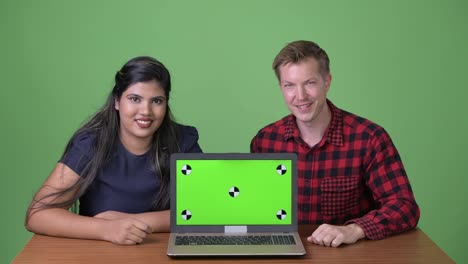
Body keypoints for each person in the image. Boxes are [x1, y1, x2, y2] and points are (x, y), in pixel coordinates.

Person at [250, 40, 420, 247]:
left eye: (310, 83)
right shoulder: (265, 141)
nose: (300, 96)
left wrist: (354, 229)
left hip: (349, 256)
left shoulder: (369, 138)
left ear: (327, 82)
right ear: (281, 87)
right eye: (289, 86)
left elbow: (404, 206)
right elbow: (255, 211)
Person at [25, 56, 202, 245]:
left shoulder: (182, 141)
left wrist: (137, 222)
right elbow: (37, 215)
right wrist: (106, 229)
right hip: (100, 255)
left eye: (157, 101)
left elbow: (207, 210)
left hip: (161, 254)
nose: (146, 111)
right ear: (117, 101)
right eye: (135, 99)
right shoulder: (91, 144)